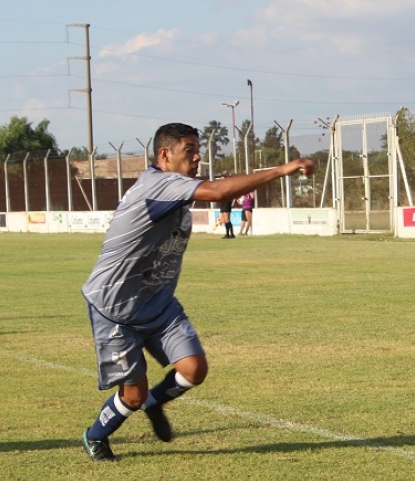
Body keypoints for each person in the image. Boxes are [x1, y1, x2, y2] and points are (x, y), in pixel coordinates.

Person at [80, 123, 313, 461]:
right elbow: (218, 192)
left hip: (158, 304)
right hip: (115, 306)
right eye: (189, 150)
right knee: (132, 395)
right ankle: (95, 436)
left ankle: (155, 403)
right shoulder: (158, 184)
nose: (198, 156)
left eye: (197, 149)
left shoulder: (176, 192)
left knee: (194, 369)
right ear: (165, 155)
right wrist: (281, 169)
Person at [216, 172, 235, 238]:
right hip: (222, 202)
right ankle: (227, 234)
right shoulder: (221, 187)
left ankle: (232, 234)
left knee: (227, 219)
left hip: (226, 202)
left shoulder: (228, 186)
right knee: (223, 219)